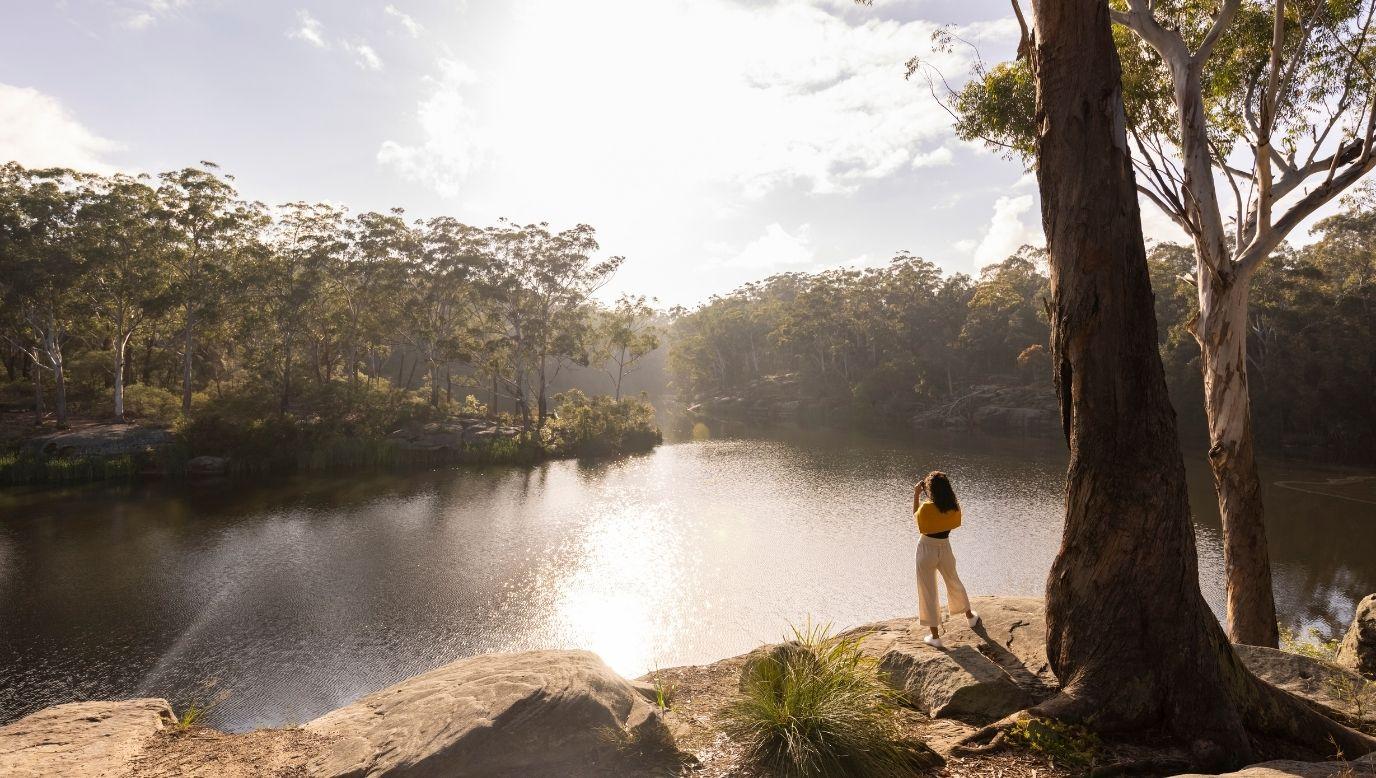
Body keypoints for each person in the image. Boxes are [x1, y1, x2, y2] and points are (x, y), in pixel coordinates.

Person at [913, 471, 979, 648]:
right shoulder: (954, 507)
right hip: (945, 547)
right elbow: (953, 523)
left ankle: (935, 637)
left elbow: (918, 522)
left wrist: (917, 494)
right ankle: (970, 617)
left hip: (926, 548)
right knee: (953, 581)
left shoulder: (926, 508)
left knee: (928, 590)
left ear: (930, 490)